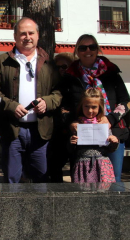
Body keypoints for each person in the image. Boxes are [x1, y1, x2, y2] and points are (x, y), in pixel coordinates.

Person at [0, 17, 62, 183]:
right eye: (23, 33)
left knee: (41, 178)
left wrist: (47, 102)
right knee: (11, 180)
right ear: (15, 37)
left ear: (37, 35)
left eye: (31, 33)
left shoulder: (48, 62)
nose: (27, 37)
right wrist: (10, 106)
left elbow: (59, 92)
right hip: (12, 131)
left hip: (40, 131)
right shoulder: (1, 62)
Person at [63, 34, 130, 182]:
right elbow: (63, 107)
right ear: (77, 51)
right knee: (83, 181)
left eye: (92, 47)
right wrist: (71, 123)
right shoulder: (70, 76)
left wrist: (109, 119)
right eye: (83, 47)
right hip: (83, 136)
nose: (88, 50)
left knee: (113, 180)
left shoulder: (111, 72)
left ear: (97, 49)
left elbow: (126, 102)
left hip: (112, 132)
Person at [70, 88, 117, 183]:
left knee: (104, 194)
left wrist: (114, 142)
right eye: (86, 106)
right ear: (81, 106)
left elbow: (110, 149)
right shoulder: (77, 125)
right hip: (82, 165)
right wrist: (71, 142)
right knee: (83, 194)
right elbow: (71, 150)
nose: (90, 110)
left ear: (100, 107)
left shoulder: (103, 123)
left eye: (94, 107)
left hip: (102, 165)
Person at [48, 52, 76, 182]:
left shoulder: (76, 84)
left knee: (77, 169)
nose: (61, 70)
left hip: (75, 132)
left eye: (64, 66)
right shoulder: (51, 85)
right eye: (57, 67)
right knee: (54, 167)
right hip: (57, 133)